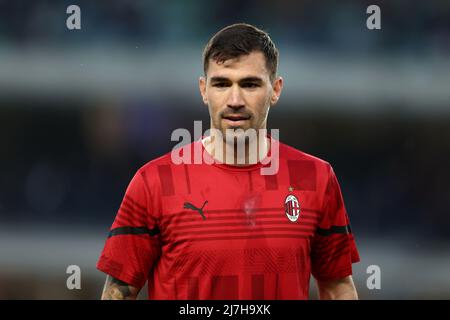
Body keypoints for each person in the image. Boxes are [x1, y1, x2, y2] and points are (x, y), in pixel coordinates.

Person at [97, 23, 360, 300]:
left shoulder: (315, 178)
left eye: (250, 84)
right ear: (203, 89)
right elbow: (118, 292)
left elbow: (337, 287)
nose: (235, 99)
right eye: (222, 84)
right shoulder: (153, 182)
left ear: (276, 89)